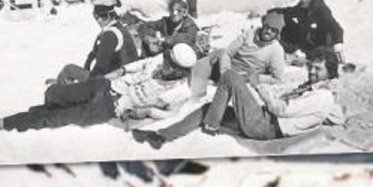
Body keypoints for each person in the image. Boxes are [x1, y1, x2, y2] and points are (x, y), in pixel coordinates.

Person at [0, 44, 196, 137]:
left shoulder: (180, 91)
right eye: (166, 60)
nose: (164, 65)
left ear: (180, 72)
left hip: (110, 108)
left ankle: (2, 124)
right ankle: (36, 114)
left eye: (170, 66)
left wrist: (146, 114)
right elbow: (140, 64)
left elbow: (171, 115)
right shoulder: (161, 59)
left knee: (58, 118)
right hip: (105, 86)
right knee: (55, 94)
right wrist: (119, 71)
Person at [132, 59, 343, 149]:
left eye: (318, 69)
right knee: (209, 108)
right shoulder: (316, 90)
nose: (313, 71)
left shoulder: (323, 96)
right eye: (312, 67)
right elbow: (334, 114)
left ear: (330, 73)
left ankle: (211, 128)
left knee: (230, 77)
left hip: (267, 126)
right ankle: (161, 136)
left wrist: (258, 87)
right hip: (264, 118)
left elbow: (282, 109)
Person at [53, 0, 140, 85]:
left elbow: (101, 66)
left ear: (108, 16)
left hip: (113, 80)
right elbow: (94, 55)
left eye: (99, 17)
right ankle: (63, 85)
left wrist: (86, 85)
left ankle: (60, 91)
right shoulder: (119, 28)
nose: (98, 21)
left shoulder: (110, 35)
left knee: (68, 70)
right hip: (123, 75)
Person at [270, 0, 346, 80]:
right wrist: (273, 11)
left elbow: (336, 28)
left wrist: (338, 46)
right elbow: (291, 11)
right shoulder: (303, 7)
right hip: (306, 47)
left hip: (320, 49)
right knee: (282, 32)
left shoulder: (321, 10)